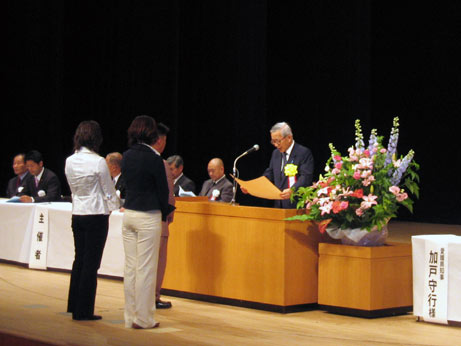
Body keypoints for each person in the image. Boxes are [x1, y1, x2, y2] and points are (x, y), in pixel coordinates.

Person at [121, 115, 174, 329]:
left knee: (131, 268)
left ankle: (129, 315)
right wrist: (166, 212)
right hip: (148, 216)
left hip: (129, 215)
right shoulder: (154, 159)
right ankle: (143, 319)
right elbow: (163, 192)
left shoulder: (126, 156)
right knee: (146, 269)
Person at [65, 120, 120, 321]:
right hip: (96, 214)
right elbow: (108, 190)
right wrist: (115, 206)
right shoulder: (98, 161)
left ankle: (73, 305)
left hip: (77, 213)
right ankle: (84, 310)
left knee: (79, 259)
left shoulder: (69, 160)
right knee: (91, 264)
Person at [151, 122, 175, 309]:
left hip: (137, 215)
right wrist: (169, 215)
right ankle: (154, 296)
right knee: (158, 261)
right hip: (158, 219)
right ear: (159, 141)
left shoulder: (132, 157)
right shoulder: (161, 163)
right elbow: (168, 193)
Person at [263, 122, 314, 209]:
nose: (276, 145)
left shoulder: (303, 153)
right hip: (279, 206)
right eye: (273, 141)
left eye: (278, 141)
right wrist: (254, 185)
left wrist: (292, 190)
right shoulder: (275, 153)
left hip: (296, 206)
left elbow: (305, 178)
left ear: (289, 138)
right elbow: (270, 173)